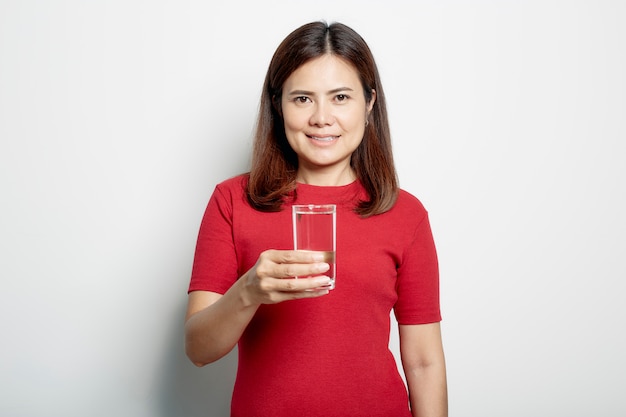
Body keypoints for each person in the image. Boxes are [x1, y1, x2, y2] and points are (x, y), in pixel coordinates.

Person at [185, 21, 447, 417]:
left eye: (340, 97)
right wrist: (249, 291)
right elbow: (199, 350)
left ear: (369, 102)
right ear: (278, 104)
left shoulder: (405, 214)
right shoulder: (233, 201)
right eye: (303, 99)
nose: (322, 118)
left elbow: (425, 362)